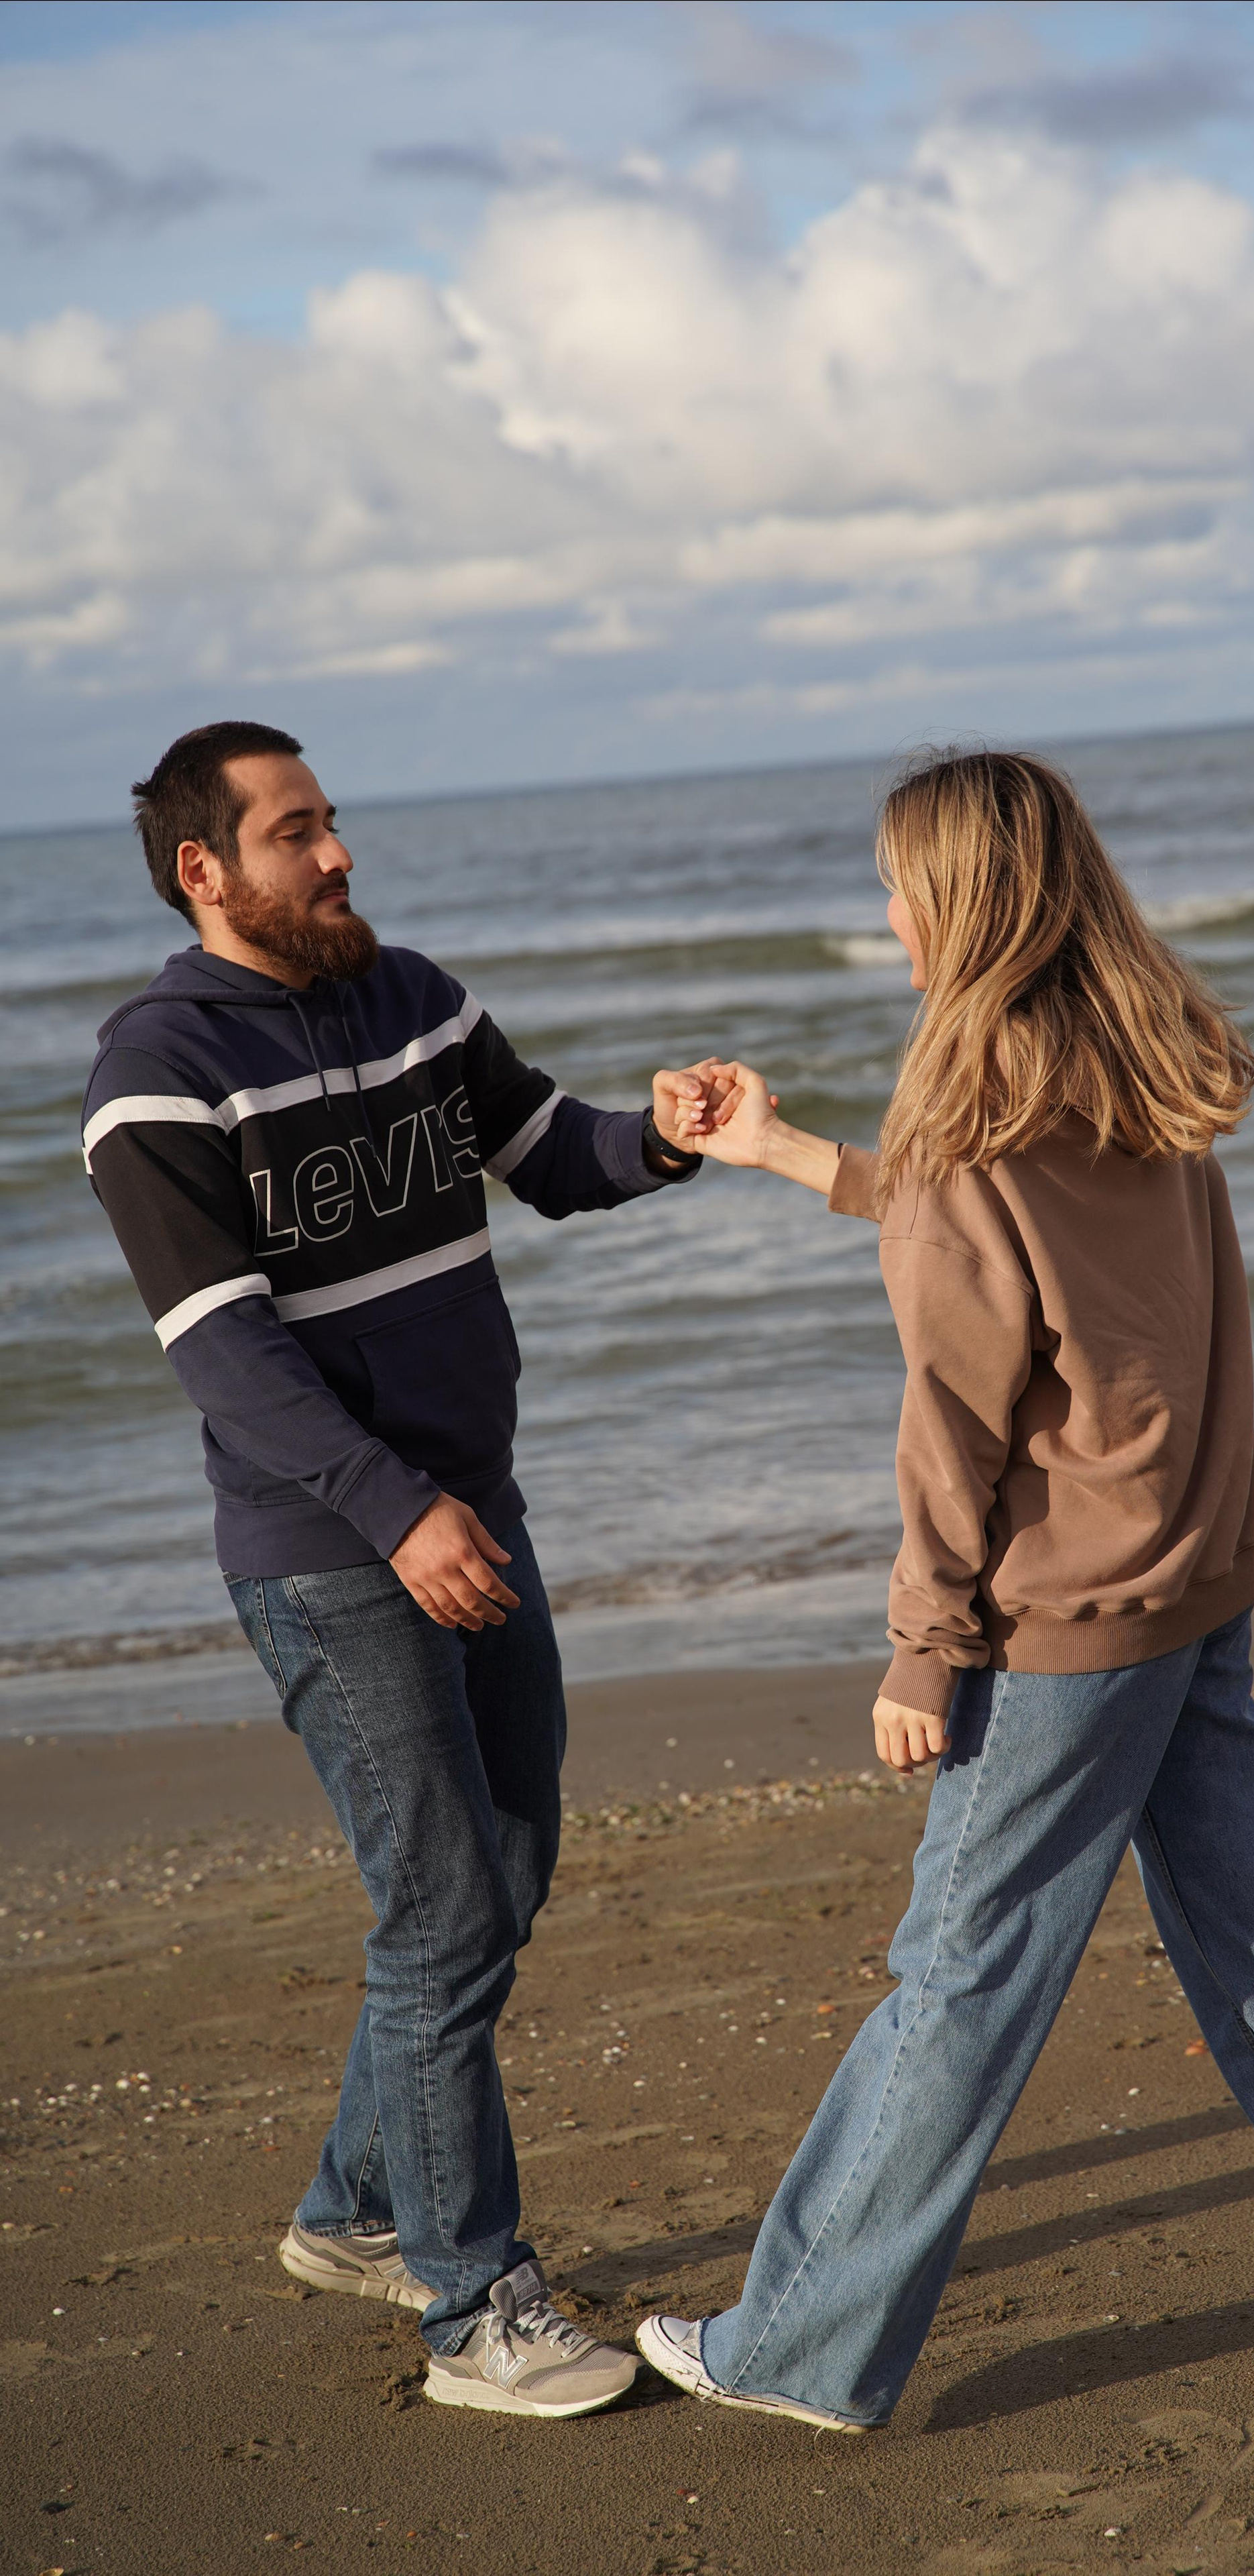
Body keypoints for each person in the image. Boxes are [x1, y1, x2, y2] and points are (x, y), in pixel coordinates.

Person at [634, 747, 1254, 2431]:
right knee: (1250, 1927)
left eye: (898, 890)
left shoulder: (966, 1126)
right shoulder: (1127, 1066)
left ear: (962, 905)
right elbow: (1000, 1253)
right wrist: (788, 1151)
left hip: (1063, 1629)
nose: (886, 920)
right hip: (1192, 1578)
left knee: (961, 1975)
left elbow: (952, 1424)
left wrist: (921, 1648)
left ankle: (799, 2345)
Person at [84, 719, 721, 2420]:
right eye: (296, 831)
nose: (339, 852)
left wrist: (659, 1134)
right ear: (203, 869)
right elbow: (225, 1355)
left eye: (333, 820)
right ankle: (472, 2310)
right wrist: (394, 1510)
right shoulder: (156, 1072)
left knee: (504, 1868)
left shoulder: (412, 1000)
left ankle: (356, 2208)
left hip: (472, 1512)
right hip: (333, 1547)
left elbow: (550, 1155)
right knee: (440, 1907)